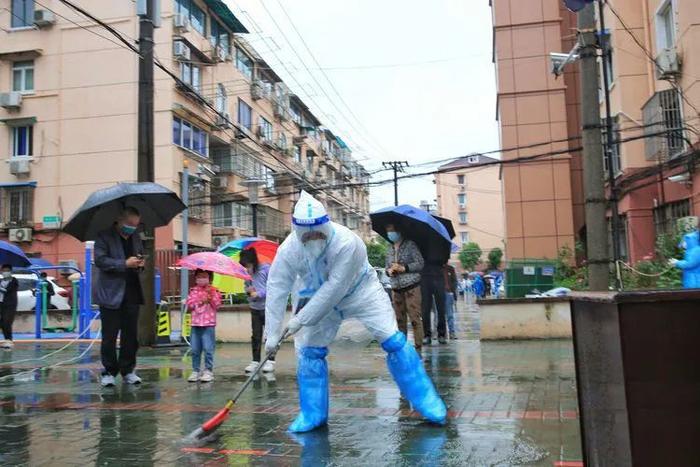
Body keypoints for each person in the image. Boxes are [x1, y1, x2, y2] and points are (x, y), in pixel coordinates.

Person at [264, 191, 446, 433]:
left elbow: (334, 289)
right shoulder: (288, 250)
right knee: (310, 352)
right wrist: (272, 334)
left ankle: (427, 403)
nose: (313, 237)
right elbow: (276, 288)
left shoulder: (348, 243)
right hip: (318, 298)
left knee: (393, 340)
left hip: (361, 292)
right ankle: (312, 414)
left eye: (318, 231)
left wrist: (299, 320)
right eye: (307, 234)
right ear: (297, 231)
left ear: (326, 226)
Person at [94, 206, 145, 387]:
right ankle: (109, 371)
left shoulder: (136, 237)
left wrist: (140, 263)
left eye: (135, 225)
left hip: (132, 292)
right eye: (130, 224)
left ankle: (128, 370)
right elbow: (100, 260)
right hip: (111, 294)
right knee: (110, 335)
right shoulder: (103, 236)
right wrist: (124, 263)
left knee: (131, 336)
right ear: (120, 220)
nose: (132, 228)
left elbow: (139, 258)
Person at [384, 223, 424, 353]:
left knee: (415, 319)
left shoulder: (410, 245)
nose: (390, 234)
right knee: (399, 321)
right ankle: (402, 350)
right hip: (396, 288)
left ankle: (418, 350)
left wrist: (404, 268)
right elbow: (386, 267)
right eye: (388, 231)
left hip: (411, 287)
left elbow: (420, 263)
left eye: (392, 231)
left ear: (399, 232)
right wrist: (389, 271)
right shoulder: (389, 248)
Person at [239, 248, 275, 374]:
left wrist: (258, 294)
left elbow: (272, 286)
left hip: (267, 308)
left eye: (248, 265)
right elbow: (247, 288)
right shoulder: (247, 275)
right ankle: (255, 361)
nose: (247, 269)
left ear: (253, 261)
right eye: (245, 266)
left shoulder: (266, 269)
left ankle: (270, 361)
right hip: (254, 308)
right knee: (256, 335)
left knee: (269, 335)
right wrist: (248, 292)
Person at [185, 269, 222, 382]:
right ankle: (195, 370)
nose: (201, 278)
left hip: (208, 324)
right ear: (196, 278)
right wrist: (201, 301)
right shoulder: (193, 291)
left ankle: (208, 371)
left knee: (208, 348)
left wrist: (211, 298)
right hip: (195, 323)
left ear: (209, 278)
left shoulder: (214, 291)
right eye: (199, 276)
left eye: (204, 276)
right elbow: (189, 306)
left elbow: (217, 305)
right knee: (195, 349)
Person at [421, 257, 448, 345]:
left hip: (438, 276)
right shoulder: (420, 244)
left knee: (441, 309)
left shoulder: (442, 244)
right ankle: (427, 335)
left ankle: (441, 334)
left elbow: (445, 259)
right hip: (424, 277)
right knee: (425, 309)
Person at [0, 265, 19, 349]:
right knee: (2, 322)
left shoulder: (14, 281)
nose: (5, 272)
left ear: (11, 271)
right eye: (3, 270)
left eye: (7, 270)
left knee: (7, 322)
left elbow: (7, 290)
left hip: (10, 305)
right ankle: (6, 340)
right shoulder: (0, 281)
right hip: (1, 304)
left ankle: (9, 340)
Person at [444, 264, 458, 340]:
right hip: (437, 294)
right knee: (438, 315)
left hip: (448, 293)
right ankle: (442, 333)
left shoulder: (450, 268)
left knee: (450, 314)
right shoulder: (435, 268)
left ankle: (452, 332)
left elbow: (455, 281)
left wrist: (452, 291)